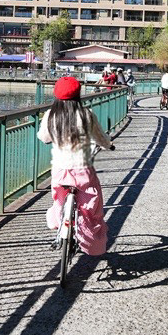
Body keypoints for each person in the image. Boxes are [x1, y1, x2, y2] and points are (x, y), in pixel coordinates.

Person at [37, 76, 115, 256]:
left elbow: (43, 137)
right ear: (78, 94)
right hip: (83, 170)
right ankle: (91, 242)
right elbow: (100, 137)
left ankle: (59, 222)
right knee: (91, 208)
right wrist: (109, 145)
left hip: (60, 171)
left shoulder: (51, 115)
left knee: (59, 200)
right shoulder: (86, 114)